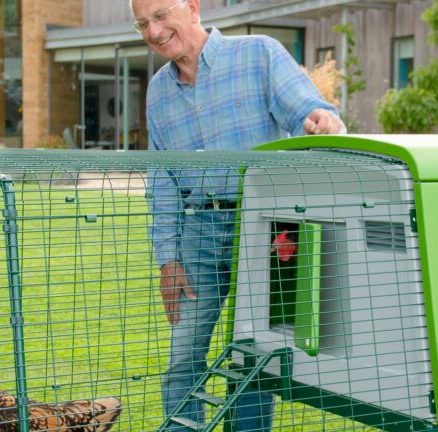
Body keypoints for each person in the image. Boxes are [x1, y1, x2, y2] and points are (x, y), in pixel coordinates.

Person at [133, 0, 344, 430]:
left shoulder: (258, 54)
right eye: (143, 24)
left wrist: (322, 121)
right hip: (198, 230)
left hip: (262, 228)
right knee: (183, 353)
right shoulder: (158, 89)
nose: (153, 31)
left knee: (255, 356)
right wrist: (168, 259)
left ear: (192, 7)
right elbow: (163, 180)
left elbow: (312, 111)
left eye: (160, 16)